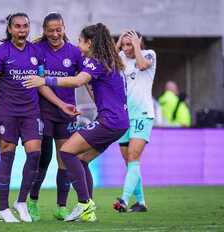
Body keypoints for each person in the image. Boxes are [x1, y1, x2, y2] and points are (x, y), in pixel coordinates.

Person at [0, 13, 77, 223]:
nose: (22, 30)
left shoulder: (36, 51)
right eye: (18, 26)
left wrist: (61, 104)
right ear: (10, 29)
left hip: (31, 112)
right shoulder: (1, 52)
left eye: (25, 26)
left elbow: (41, 83)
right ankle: (3, 208)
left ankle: (21, 202)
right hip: (7, 112)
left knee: (34, 154)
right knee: (7, 155)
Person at [23, 23, 128, 222]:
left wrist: (45, 80)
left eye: (81, 41)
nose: (78, 44)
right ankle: (88, 211)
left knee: (66, 151)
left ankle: (84, 203)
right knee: (82, 159)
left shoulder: (96, 61)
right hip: (119, 121)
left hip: (110, 121)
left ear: (90, 42)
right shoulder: (109, 60)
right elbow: (92, 85)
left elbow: (77, 81)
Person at [27, 12, 83, 221]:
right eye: (50, 30)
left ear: (64, 28)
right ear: (44, 31)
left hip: (67, 115)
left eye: (58, 29)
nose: (55, 34)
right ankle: (32, 201)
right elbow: (39, 83)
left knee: (65, 159)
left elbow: (84, 79)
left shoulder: (75, 53)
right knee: (43, 158)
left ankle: (61, 206)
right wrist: (61, 104)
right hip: (43, 112)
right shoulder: (37, 49)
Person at [112, 30, 157, 213]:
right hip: (124, 116)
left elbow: (142, 65)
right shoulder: (120, 56)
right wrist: (118, 43)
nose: (126, 48)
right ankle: (141, 202)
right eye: (124, 45)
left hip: (142, 114)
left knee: (133, 157)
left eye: (130, 44)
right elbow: (107, 64)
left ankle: (123, 199)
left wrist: (137, 45)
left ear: (139, 43)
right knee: (129, 161)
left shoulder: (149, 54)